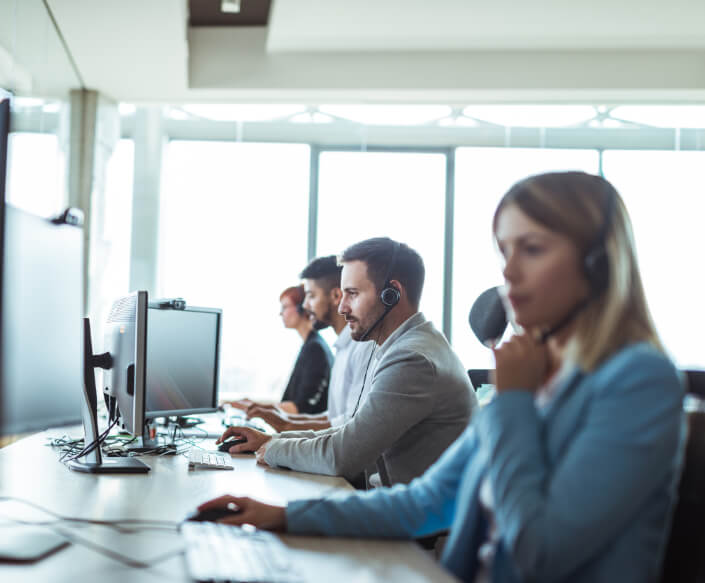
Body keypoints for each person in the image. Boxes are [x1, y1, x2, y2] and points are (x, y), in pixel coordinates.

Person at [200, 172, 685, 583]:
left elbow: (542, 554)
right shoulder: (536, 378)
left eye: (532, 249)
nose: (508, 272)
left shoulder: (638, 381)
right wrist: (283, 516)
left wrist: (513, 402)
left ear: (598, 266)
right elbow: (426, 501)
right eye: (504, 251)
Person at [218, 238, 476, 488]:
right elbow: (350, 433)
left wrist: (273, 447)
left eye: (352, 294)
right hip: (399, 509)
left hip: (413, 526)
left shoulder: (411, 359)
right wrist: (275, 439)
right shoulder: (406, 346)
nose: (341, 307)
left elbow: (342, 455)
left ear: (392, 294)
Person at [246, 255, 374, 432]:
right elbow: (333, 418)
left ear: (336, 295)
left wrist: (281, 430)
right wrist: (279, 420)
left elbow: (349, 427)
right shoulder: (341, 348)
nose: (305, 306)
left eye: (311, 296)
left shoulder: (361, 349)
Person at [227, 285, 333, 415]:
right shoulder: (309, 345)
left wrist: (254, 407)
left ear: (302, 308)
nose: (280, 313)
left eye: (285, 307)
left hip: (307, 429)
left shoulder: (315, 349)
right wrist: (253, 405)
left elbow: (301, 408)